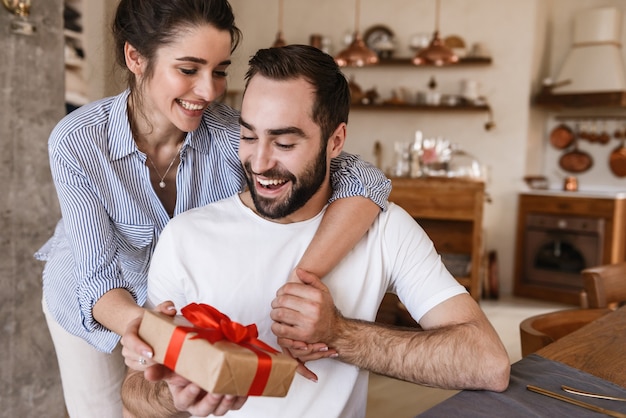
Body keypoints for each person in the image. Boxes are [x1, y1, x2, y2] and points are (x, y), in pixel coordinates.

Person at [35, 1, 391, 416]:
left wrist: (300, 280)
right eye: (188, 70)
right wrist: (141, 327)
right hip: (92, 301)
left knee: (181, 406)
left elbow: (366, 180)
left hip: (180, 304)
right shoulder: (77, 142)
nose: (208, 91)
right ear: (135, 57)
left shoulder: (229, 136)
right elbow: (96, 276)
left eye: (219, 71)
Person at [120, 44, 510, 418]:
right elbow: (135, 400)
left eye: (285, 142)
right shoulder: (187, 236)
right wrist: (173, 392)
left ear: (335, 141)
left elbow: (488, 363)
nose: (259, 162)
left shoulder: (385, 229)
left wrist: (340, 335)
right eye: (249, 136)